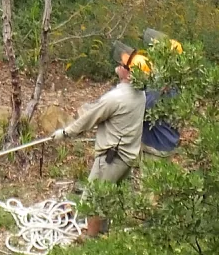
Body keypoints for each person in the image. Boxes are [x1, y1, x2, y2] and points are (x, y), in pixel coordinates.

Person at [53, 46, 149, 183]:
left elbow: (89, 118)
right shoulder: (141, 95)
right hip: (127, 160)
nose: (120, 64)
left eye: (124, 65)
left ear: (129, 75)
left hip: (111, 161)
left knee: (91, 196)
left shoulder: (116, 98)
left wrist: (65, 133)